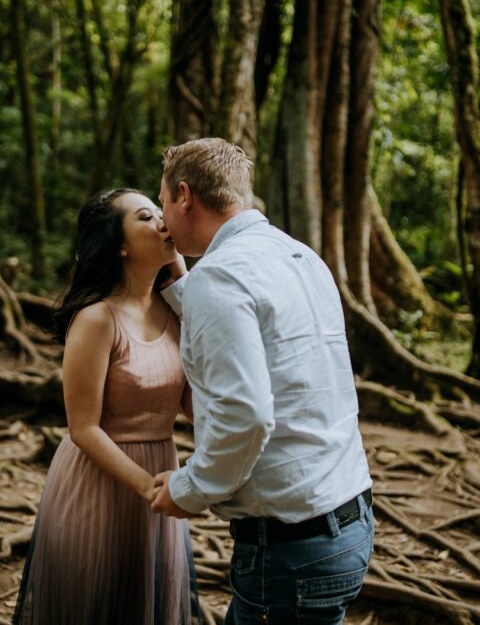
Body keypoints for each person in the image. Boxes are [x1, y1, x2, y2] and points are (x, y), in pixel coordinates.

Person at [150, 138, 374, 624]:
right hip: (347, 521)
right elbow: (266, 345)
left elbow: (247, 416)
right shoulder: (300, 257)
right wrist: (180, 287)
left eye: (163, 201)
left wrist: (189, 489)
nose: (163, 217)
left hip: (289, 549)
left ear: (185, 195)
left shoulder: (221, 278)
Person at [13, 189, 201, 625]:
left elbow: (194, 406)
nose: (162, 221)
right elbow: (83, 428)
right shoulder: (97, 318)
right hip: (100, 483)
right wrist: (150, 488)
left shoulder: (175, 314)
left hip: (160, 475)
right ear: (119, 244)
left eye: (160, 213)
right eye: (145, 217)